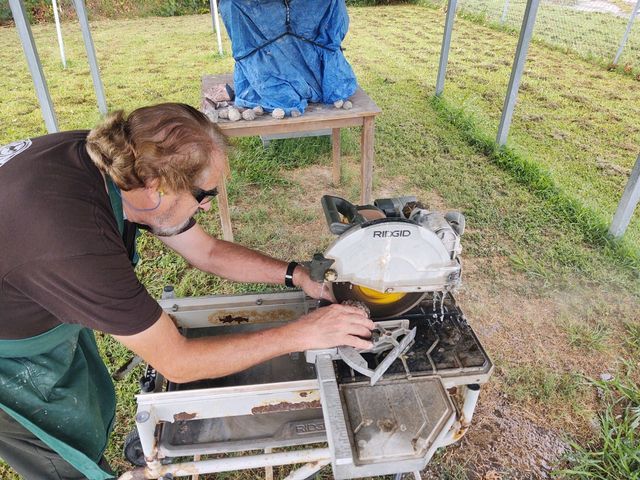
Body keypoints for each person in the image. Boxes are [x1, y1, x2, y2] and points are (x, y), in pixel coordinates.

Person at [0, 103, 374, 480]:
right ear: (156, 188)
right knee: (57, 456)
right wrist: (305, 333)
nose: (207, 207)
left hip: (23, 282)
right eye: (204, 194)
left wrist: (296, 275)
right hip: (7, 359)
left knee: (80, 410)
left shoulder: (113, 161)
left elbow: (207, 251)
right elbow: (177, 362)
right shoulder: (76, 245)